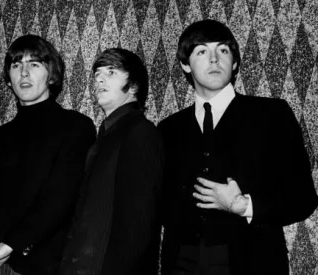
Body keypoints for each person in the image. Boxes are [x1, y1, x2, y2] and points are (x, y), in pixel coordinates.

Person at [157, 19, 318, 275]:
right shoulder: (167, 129)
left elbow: (303, 198)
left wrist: (244, 206)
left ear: (234, 62)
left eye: (222, 50)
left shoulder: (273, 114)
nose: (213, 59)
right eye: (201, 51)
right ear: (185, 65)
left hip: (252, 261)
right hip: (181, 262)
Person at [0, 34, 96, 275]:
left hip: (48, 266)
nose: (24, 73)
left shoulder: (76, 126)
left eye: (34, 64)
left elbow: (59, 198)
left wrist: (7, 247)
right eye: (16, 65)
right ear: (8, 80)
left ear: (52, 75)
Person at [60, 48, 163, 275]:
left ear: (134, 85)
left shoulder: (140, 132)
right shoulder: (107, 134)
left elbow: (139, 225)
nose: (99, 79)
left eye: (111, 72)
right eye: (97, 74)